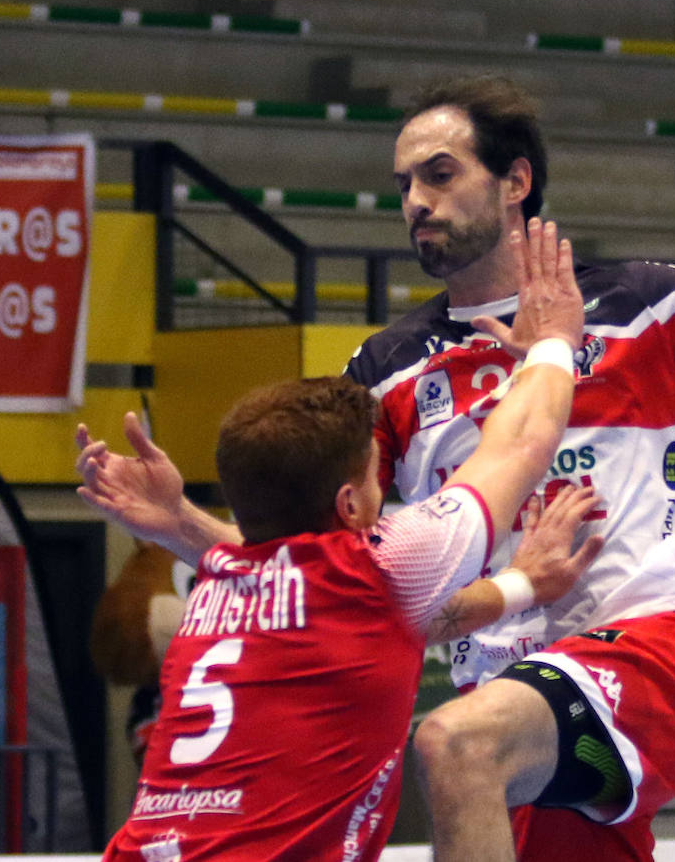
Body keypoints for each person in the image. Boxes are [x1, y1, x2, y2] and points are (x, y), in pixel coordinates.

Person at [75, 75, 675, 861]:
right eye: (405, 186)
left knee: (452, 746)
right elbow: (326, 582)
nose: (414, 203)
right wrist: (183, 530)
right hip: (507, 694)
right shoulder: (385, 369)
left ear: (515, 182)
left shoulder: (655, 304)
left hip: (646, 654)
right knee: (470, 744)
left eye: (439, 174)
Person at [85, 219, 605, 861]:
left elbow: (404, 621)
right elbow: (522, 444)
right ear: (350, 502)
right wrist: (555, 343)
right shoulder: (379, 566)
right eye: (373, 469)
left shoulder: (220, 577)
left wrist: (523, 585)